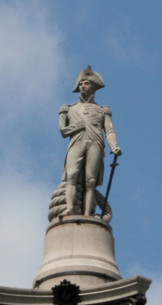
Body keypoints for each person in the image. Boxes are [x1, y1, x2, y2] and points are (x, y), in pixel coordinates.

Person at [59, 66, 122, 216]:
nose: (83, 86)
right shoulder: (69, 109)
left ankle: (88, 213)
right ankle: (69, 207)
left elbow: (109, 131)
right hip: (77, 142)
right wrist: (78, 126)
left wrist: (114, 147)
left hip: (95, 143)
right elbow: (63, 131)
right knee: (71, 174)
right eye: (81, 83)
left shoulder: (102, 110)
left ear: (93, 86)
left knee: (90, 180)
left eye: (86, 83)